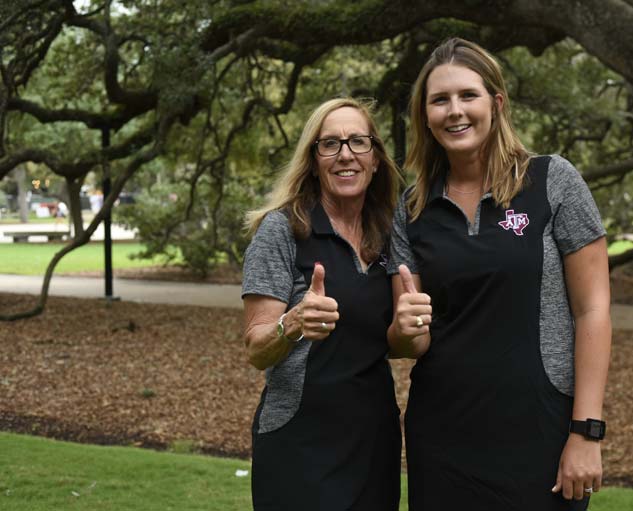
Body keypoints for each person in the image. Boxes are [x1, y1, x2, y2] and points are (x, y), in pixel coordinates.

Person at [387, 38, 612, 510]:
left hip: (541, 431)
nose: (455, 111)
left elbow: (593, 309)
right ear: (425, 116)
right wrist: (403, 331)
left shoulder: (553, 181)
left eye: (468, 95)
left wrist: (586, 431)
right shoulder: (410, 210)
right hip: (443, 436)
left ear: (497, 102)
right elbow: (411, 341)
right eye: (439, 100)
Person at [241, 97, 402, 511]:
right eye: (330, 144)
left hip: (374, 441)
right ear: (313, 160)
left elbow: (393, 339)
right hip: (301, 442)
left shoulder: (391, 233)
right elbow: (258, 348)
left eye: (358, 142)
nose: (345, 154)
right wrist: (292, 322)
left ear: (376, 158)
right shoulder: (282, 229)